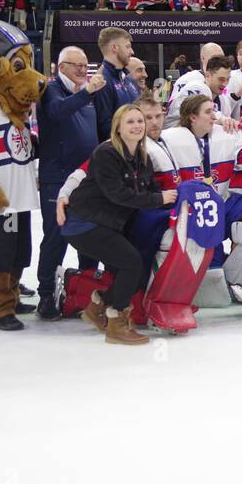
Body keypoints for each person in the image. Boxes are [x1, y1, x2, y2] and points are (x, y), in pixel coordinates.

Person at [60, 105, 178, 345]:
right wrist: (159, 199)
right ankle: (116, 322)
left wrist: (173, 198)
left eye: (139, 121)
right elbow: (118, 194)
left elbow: (149, 189)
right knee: (132, 263)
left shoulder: (142, 156)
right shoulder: (107, 153)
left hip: (108, 225)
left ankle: (97, 306)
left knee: (129, 273)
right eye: (130, 122)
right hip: (85, 223)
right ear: (118, 128)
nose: (137, 126)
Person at [36, 47, 106, 317]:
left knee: (89, 235)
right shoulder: (51, 89)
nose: (82, 70)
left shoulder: (87, 93)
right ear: (60, 67)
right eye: (76, 65)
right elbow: (56, 112)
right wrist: (87, 92)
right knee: (56, 236)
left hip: (87, 179)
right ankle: (46, 294)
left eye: (85, 66)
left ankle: (86, 292)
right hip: (57, 178)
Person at [91, 26, 139, 144]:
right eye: (127, 46)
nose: (132, 52)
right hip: (117, 153)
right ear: (114, 48)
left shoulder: (128, 79)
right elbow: (105, 128)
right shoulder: (102, 81)